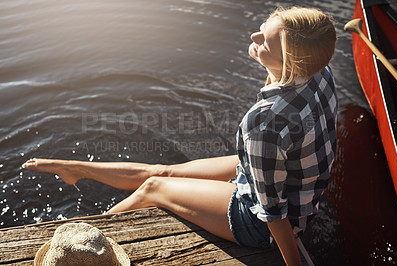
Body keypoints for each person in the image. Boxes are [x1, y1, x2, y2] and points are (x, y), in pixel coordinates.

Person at [23, 6, 337, 265]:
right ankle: (77, 170)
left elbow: (272, 212)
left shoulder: (264, 123)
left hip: (261, 221)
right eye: (264, 26)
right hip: (283, 180)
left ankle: (86, 248)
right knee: (164, 171)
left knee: (153, 187)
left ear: (291, 64)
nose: (254, 37)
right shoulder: (320, 72)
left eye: (265, 42)